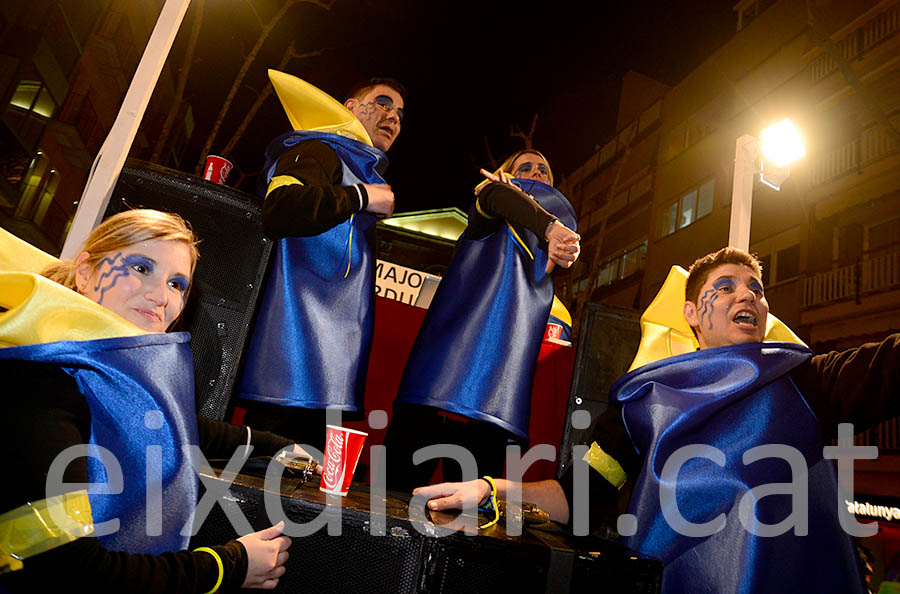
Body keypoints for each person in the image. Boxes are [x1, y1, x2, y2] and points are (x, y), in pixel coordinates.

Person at [415, 246, 900, 594]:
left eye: (756, 288)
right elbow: (578, 500)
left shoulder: (808, 382)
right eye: (725, 287)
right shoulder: (644, 403)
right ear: (692, 311)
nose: (746, 296)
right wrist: (492, 490)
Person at [0, 210, 292, 592]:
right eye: (140, 267)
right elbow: (66, 570)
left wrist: (287, 450)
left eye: (177, 283)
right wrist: (228, 565)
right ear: (86, 271)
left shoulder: (99, 374)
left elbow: (188, 430)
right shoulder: (35, 376)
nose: (161, 296)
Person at [384, 149, 580, 493]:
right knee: (391, 498)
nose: (536, 173)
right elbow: (497, 197)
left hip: (496, 397)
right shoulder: (488, 213)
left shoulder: (550, 248)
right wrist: (548, 225)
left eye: (544, 170)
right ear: (503, 176)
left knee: (466, 520)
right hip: (436, 386)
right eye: (525, 167)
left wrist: (560, 242)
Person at [235, 72, 406, 449]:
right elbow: (280, 209)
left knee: (300, 493)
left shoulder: (358, 169)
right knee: (258, 482)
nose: (393, 117)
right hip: (286, 369)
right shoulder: (318, 149)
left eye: (400, 114)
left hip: (324, 374)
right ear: (349, 108)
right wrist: (361, 197)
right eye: (382, 103)